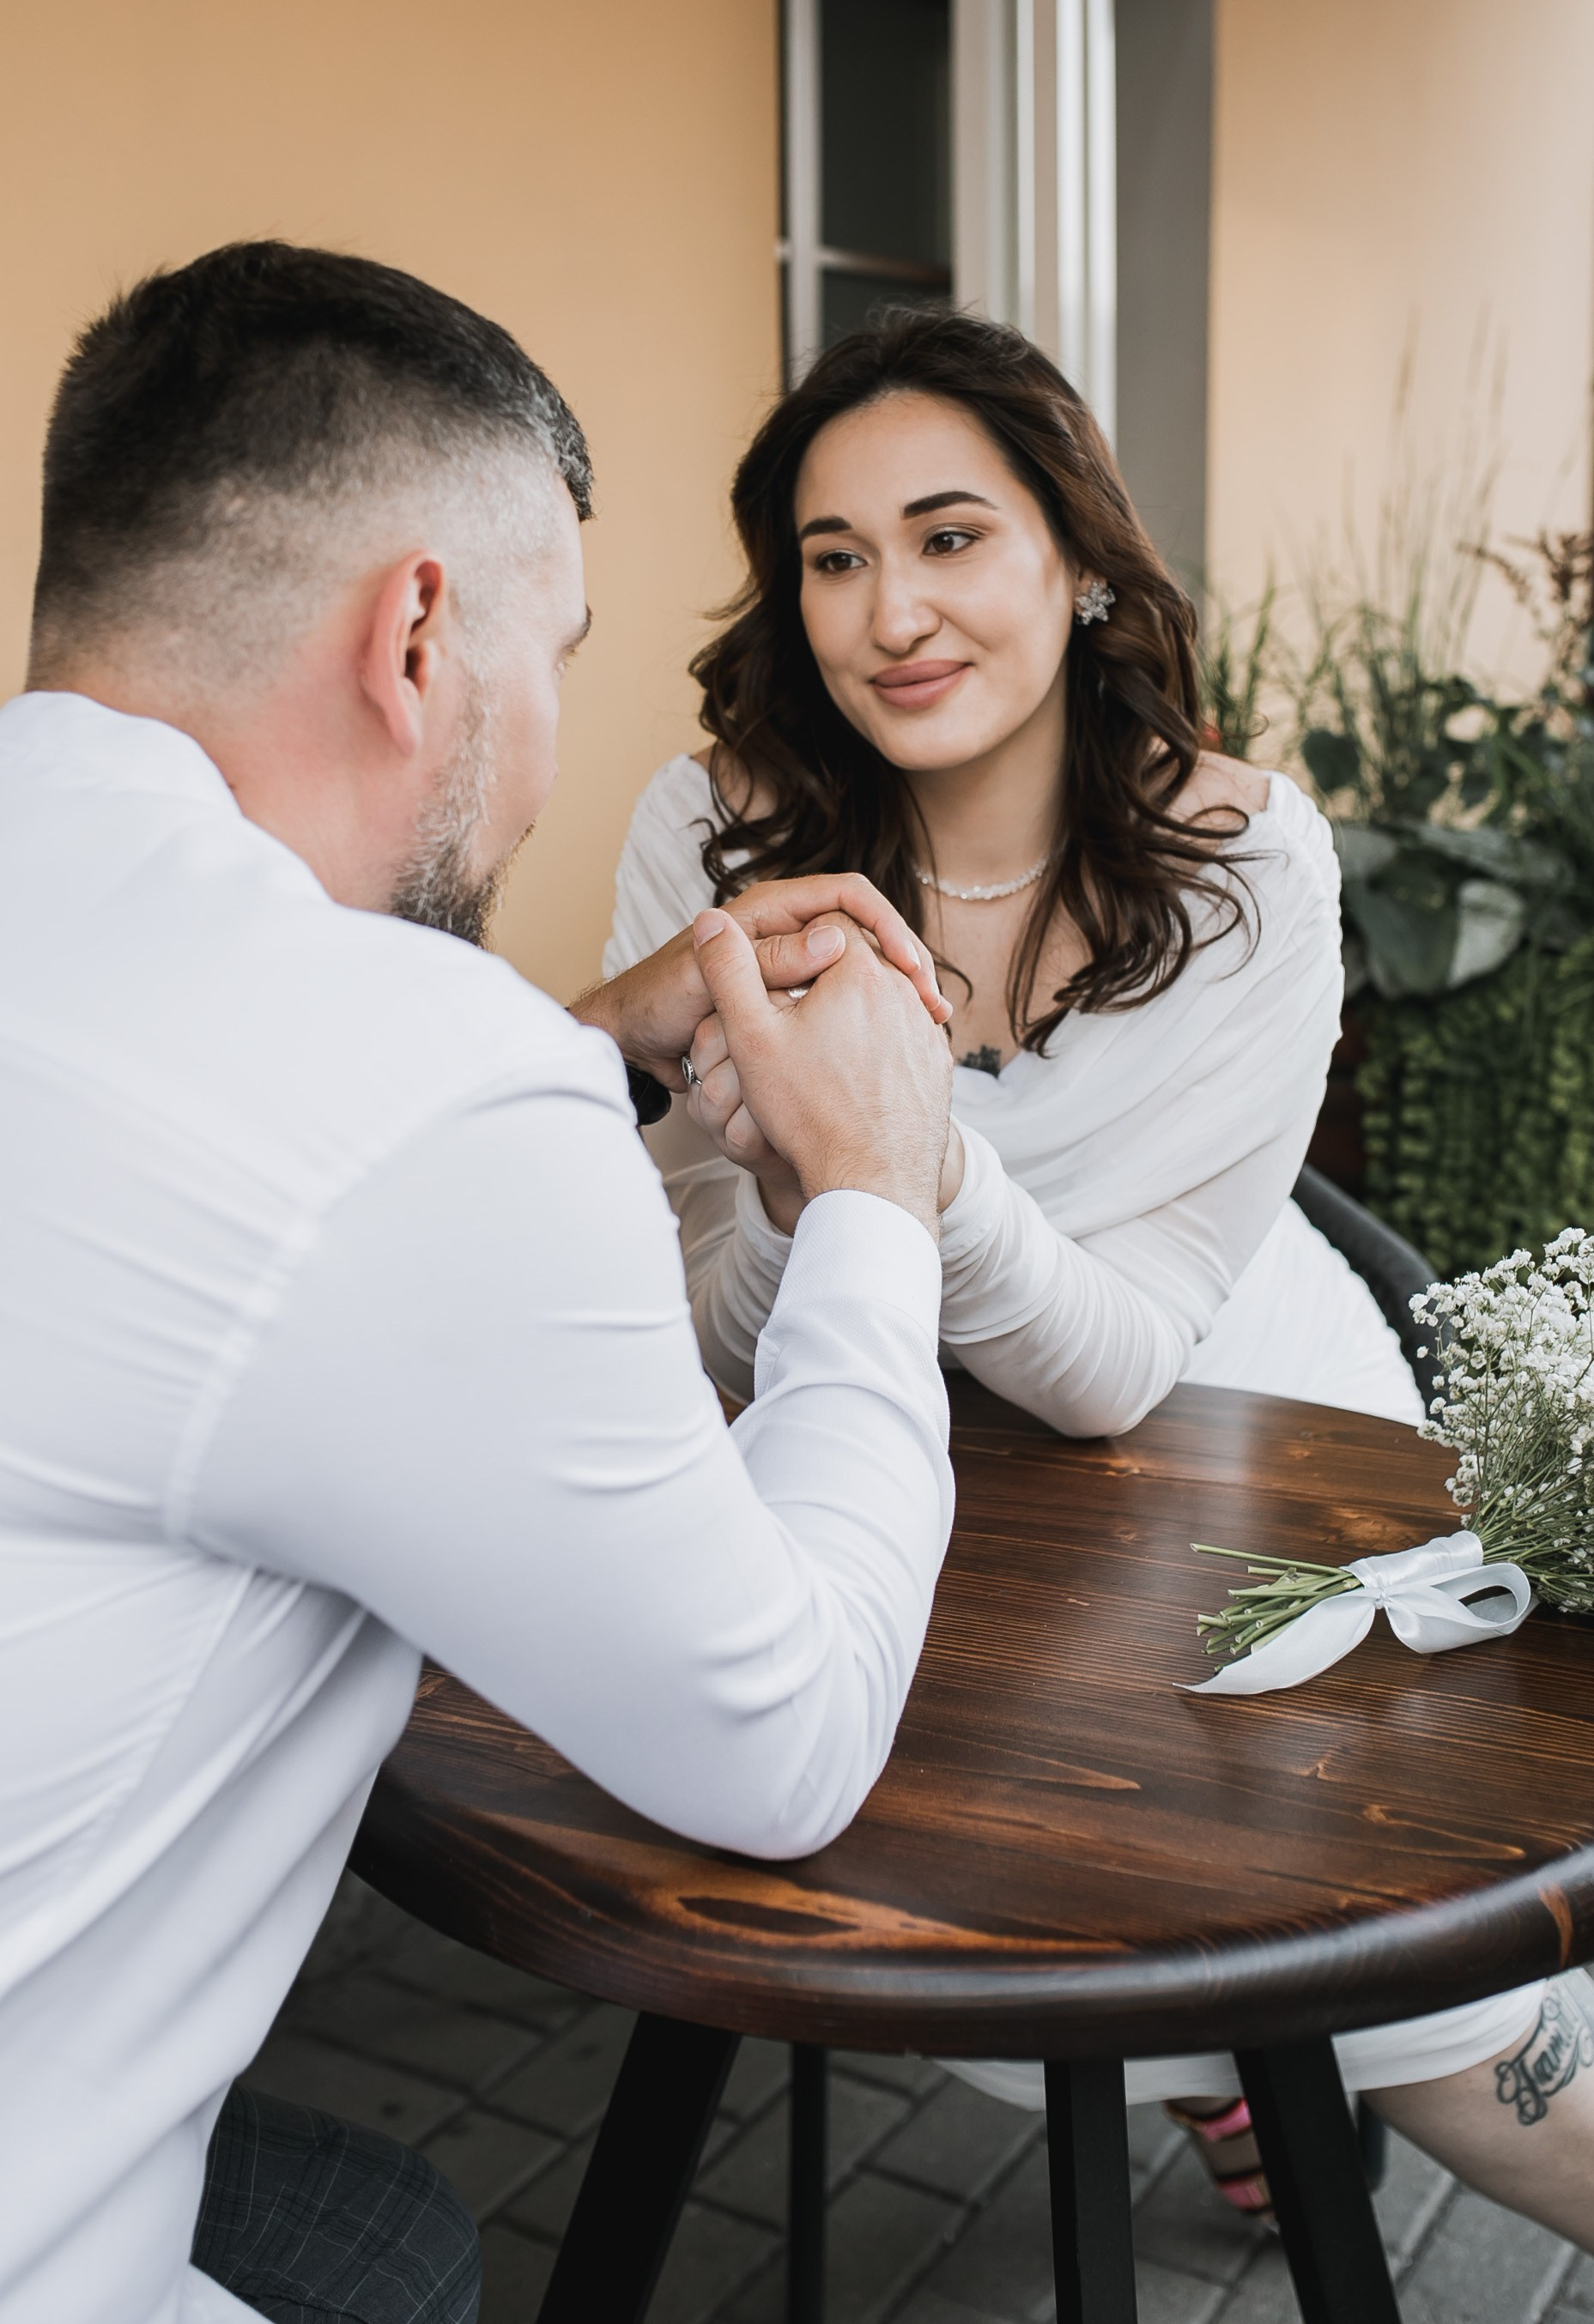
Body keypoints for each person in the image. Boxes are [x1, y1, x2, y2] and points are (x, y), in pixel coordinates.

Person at [603, 307, 1594, 2321]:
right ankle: (1228, 2079)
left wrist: (903, 1169)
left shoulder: (1242, 859)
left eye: (951, 536)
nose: (888, 612)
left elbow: (1122, 1355)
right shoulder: (710, 840)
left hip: (1237, 1421)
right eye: (834, 555)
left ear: (1080, 560)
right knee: (942, 1859)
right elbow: (693, 1326)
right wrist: (800, 1221)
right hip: (891, 1457)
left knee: (1403, 1970)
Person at [0, 242, 960, 2324]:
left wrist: (573, 1054)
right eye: (560, 653)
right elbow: (777, 1742)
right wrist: (878, 1193)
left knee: (391, 2234)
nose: (545, 756)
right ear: (420, 633)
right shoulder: (407, 1087)